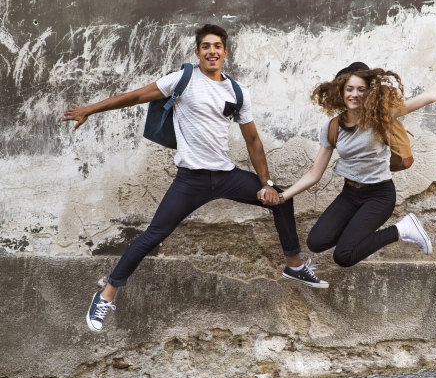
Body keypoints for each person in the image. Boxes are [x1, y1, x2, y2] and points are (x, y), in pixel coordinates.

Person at [62, 24, 329, 334]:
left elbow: (254, 141)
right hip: (190, 181)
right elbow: (135, 96)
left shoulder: (238, 92)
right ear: (198, 52)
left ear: (225, 52)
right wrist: (89, 110)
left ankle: (294, 266)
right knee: (153, 236)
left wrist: (267, 184)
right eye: (206, 46)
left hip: (226, 176)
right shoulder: (183, 79)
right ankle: (106, 295)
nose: (212, 51)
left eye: (217, 46)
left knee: (282, 197)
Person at [260, 53, 436, 268]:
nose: (355, 95)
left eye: (361, 90)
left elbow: (429, 96)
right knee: (316, 241)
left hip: (378, 195)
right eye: (349, 89)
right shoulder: (332, 127)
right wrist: (282, 196)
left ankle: (402, 229)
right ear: (340, 91)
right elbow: (315, 173)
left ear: (370, 93)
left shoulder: (383, 115)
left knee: (344, 256)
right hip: (349, 195)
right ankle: (355, 233)